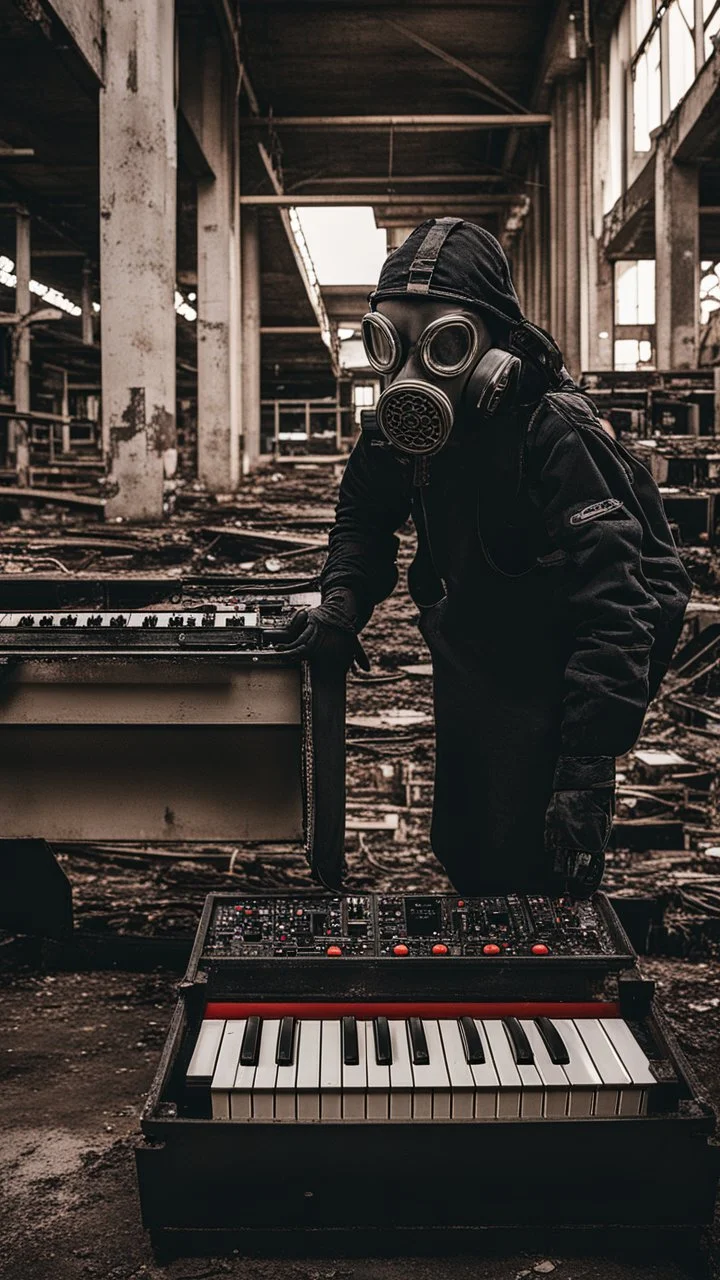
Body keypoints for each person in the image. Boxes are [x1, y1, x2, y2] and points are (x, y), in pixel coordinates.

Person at [281, 218, 691, 897]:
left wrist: (586, 763)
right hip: (471, 664)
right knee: (469, 849)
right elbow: (363, 518)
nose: (412, 371)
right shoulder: (397, 433)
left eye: (444, 344)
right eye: (392, 343)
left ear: (497, 346)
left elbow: (621, 601)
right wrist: (342, 604)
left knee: (542, 875)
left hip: (560, 682)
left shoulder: (556, 431)